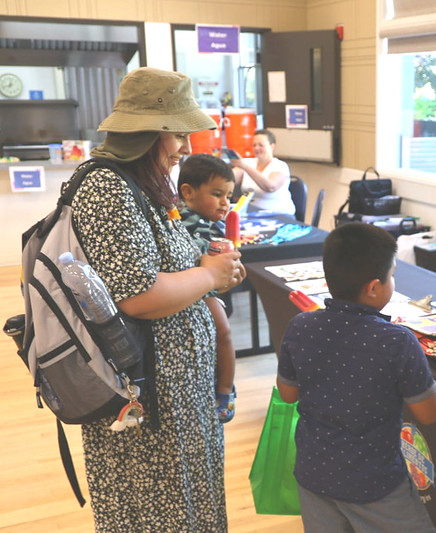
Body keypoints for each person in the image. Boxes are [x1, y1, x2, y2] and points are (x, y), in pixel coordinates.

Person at [75, 67, 246, 531]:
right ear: (148, 132)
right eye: (178, 134)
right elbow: (139, 296)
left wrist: (211, 267)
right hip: (149, 396)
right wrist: (208, 277)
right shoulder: (107, 188)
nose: (186, 148)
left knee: (189, 503)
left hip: (176, 388)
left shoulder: (143, 183)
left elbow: (173, 266)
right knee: (157, 511)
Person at [276, 222, 436, 533]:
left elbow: (288, 394)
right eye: (391, 276)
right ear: (374, 287)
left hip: (313, 474)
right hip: (374, 484)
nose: (392, 283)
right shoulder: (396, 341)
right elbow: (430, 411)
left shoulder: (300, 326)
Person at [177, 153, 238, 423]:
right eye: (217, 194)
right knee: (223, 331)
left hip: (205, 289)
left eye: (229, 196)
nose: (225, 203)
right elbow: (199, 256)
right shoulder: (187, 220)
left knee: (222, 332)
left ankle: (224, 387)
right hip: (193, 290)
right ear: (188, 192)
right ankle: (224, 387)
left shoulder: (210, 221)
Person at [230, 128, 294, 215]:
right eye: (254, 145)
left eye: (261, 145)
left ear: (272, 146)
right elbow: (228, 179)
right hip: (251, 213)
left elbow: (270, 187)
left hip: (279, 214)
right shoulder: (247, 162)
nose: (256, 148)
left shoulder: (280, 166)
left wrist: (245, 167)